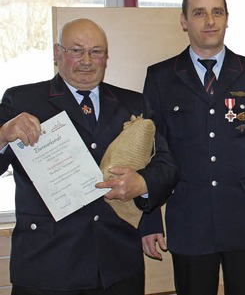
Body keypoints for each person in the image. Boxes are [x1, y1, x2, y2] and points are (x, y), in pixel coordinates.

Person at [0, 18, 178, 295]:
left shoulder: (133, 103)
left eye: (96, 51)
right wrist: (2, 135)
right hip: (47, 267)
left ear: (106, 57)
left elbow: (166, 167)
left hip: (116, 268)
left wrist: (142, 183)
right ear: (57, 53)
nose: (86, 60)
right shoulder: (22, 100)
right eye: (76, 51)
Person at [140, 0, 245, 295]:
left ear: (227, 18)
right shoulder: (161, 77)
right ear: (184, 20)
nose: (210, 21)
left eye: (217, 12)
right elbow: (149, 155)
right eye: (199, 13)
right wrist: (149, 220)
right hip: (189, 221)